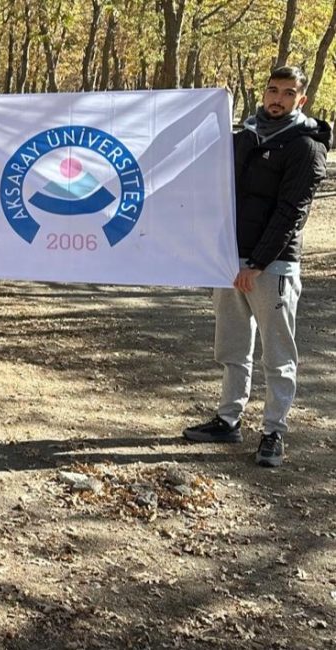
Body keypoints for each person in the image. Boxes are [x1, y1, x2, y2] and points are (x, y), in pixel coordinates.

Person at [183, 65, 329, 467]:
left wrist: (260, 263)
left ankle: (273, 432)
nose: (276, 99)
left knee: (278, 353)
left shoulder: (306, 145)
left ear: (301, 100)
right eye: (272, 90)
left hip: (273, 266)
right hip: (229, 261)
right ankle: (229, 419)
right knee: (232, 346)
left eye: (286, 93)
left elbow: (292, 212)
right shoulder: (243, 138)